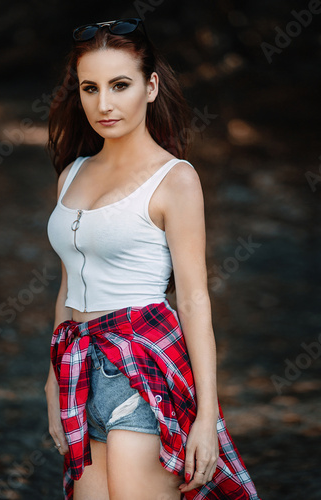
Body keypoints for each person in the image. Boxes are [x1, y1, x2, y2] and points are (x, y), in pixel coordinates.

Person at [45, 17, 261, 500]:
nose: (104, 104)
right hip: (77, 370)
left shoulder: (175, 179)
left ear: (150, 86)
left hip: (144, 371)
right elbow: (68, 286)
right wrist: (51, 380)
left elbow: (194, 299)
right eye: (90, 87)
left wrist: (206, 417)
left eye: (120, 85)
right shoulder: (72, 173)